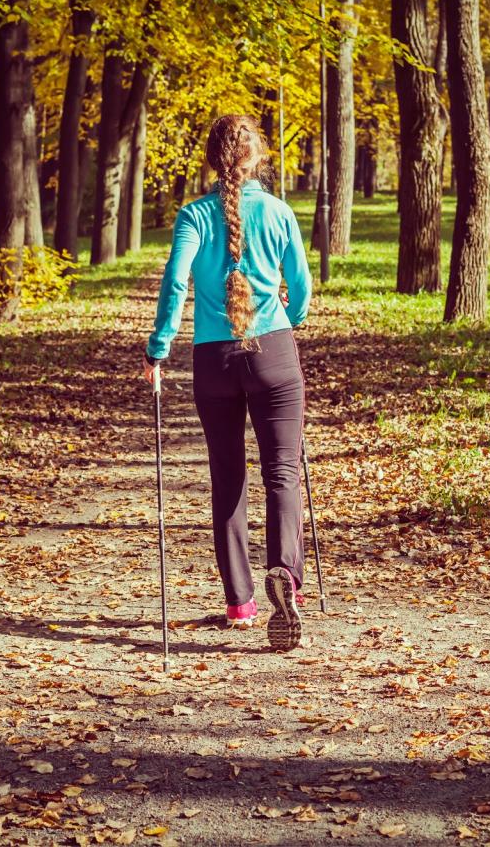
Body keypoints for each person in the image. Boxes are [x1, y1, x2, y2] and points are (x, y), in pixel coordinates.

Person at [142, 114, 312, 652]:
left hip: (213, 359)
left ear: (213, 159)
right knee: (282, 472)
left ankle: (240, 601)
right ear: (257, 155)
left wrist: (158, 347)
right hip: (274, 354)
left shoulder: (193, 214)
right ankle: (285, 575)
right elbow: (302, 287)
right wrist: (294, 315)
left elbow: (174, 280)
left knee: (227, 475)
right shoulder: (279, 212)